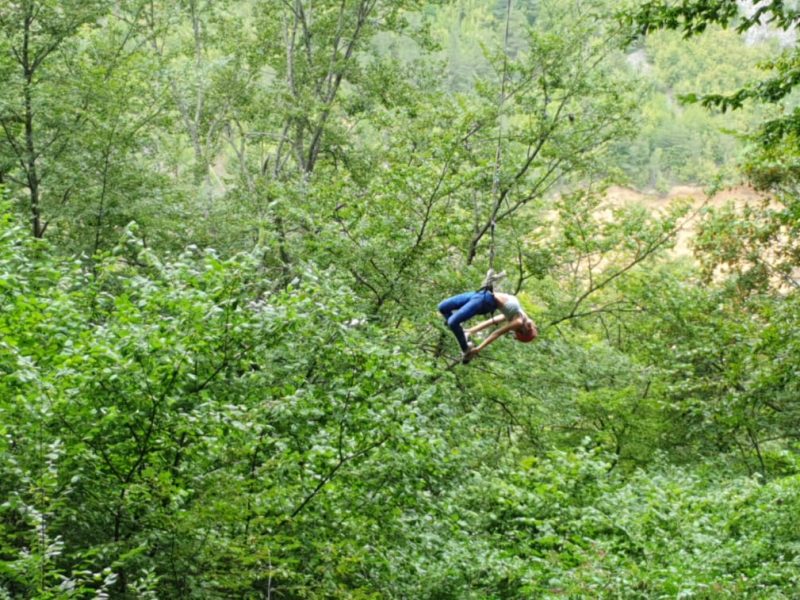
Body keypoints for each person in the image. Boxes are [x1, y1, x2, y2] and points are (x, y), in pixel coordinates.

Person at [438, 289, 537, 363]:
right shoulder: (518, 320)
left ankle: (466, 348)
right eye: (515, 332)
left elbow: (492, 323)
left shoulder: (515, 316)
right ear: (521, 331)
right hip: (482, 294)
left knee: (452, 322)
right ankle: (462, 333)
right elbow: (495, 331)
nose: (513, 331)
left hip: (484, 301)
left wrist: (477, 348)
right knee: (443, 307)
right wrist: (471, 332)